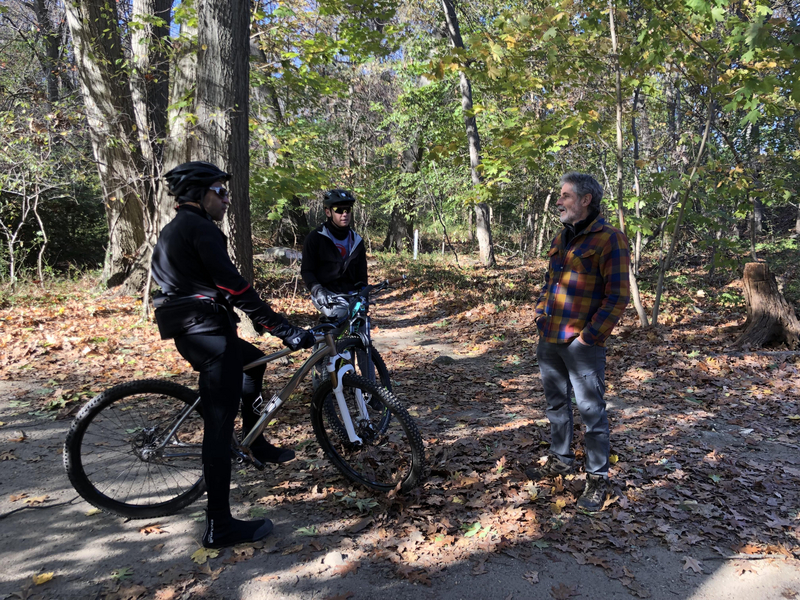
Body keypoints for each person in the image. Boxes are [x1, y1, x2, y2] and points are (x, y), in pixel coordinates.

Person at [151, 161, 315, 548]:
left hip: (194, 331)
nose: (227, 200)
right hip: (209, 337)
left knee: (253, 366)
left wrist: (255, 322)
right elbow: (235, 286)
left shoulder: (173, 230)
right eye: (220, 192)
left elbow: (196, 283)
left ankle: (255, 441)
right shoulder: (203, 230)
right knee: (217, 430)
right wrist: (284, 328)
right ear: (199, 195)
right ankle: (219, 526)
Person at [527, 172, 630, 512]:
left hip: (582, 345)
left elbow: (617, 297)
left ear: (586, 200)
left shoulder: (609, 239)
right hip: (550, 338)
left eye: (565, 196)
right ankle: (560, 459)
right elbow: (548, 282)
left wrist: (589, 338)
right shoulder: (562, 237)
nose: (559, 201)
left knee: (592, 413)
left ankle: (597, 479)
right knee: (556, 406)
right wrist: (540, 315)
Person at [301, 189, 367, 321]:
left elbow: (362, 274)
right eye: (338, 210)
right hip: (326, 294)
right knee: (341, 317)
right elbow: (307, 270)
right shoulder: (315, 238)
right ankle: (325, 338)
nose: (344, 214)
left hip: (351, 294)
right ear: (328, 212)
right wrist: (317, 289)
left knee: (360, 322)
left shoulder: (357, 241)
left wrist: (363, 294)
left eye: (347, 210)